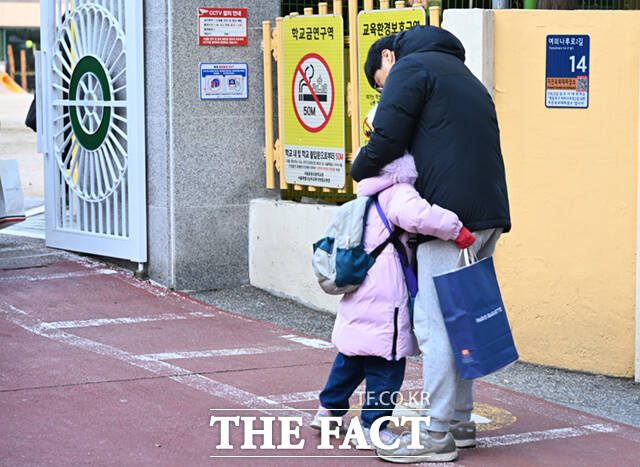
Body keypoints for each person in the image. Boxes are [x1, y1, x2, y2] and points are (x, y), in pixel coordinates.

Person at [352, 27, 511, 462]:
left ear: (388, 58)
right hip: (488, 212)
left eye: (380, 85)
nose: (384, 92)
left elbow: (386, 140)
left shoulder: (410, 67)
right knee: (462, 318)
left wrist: (358, 168)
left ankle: (437, 435)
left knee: (436, 324)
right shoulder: (462, 73)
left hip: (449, 216)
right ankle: (460, 421)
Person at [311, 128, 476, 450]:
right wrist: (457, 229)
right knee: (387, 361)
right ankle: (373, 427)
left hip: (359, 290)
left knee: (352, 354)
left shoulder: (366, 198)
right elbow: (420, 216)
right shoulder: (398, 192)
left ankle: (328, 410)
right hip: (387, 293)